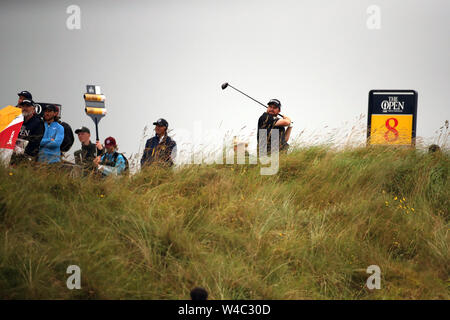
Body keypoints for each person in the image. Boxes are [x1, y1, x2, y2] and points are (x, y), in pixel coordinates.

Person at [10, 99, 45, 165]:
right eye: (23, 106)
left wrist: (22, 151)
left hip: (28, 158)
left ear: (33, 109)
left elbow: (36, 142)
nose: (25, 108)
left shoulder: (38, 123)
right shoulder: (17, 121)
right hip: (14, 156)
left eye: (27, 106)